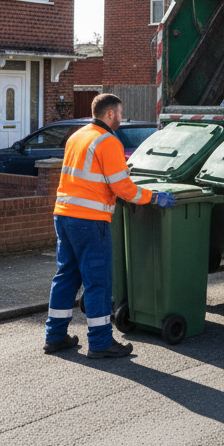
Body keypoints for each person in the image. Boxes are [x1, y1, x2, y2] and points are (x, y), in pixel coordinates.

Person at [45, 93, 176, 357]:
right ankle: (101, 342)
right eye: (120, 113)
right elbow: (123, 188)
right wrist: (153, 198)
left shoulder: (77, 136)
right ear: (110, 114)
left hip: (64, 215)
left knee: (66, 276)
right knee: (98, 281)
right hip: (90, 220)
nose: (121, 117)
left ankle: (55, 336)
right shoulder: (108, 141)